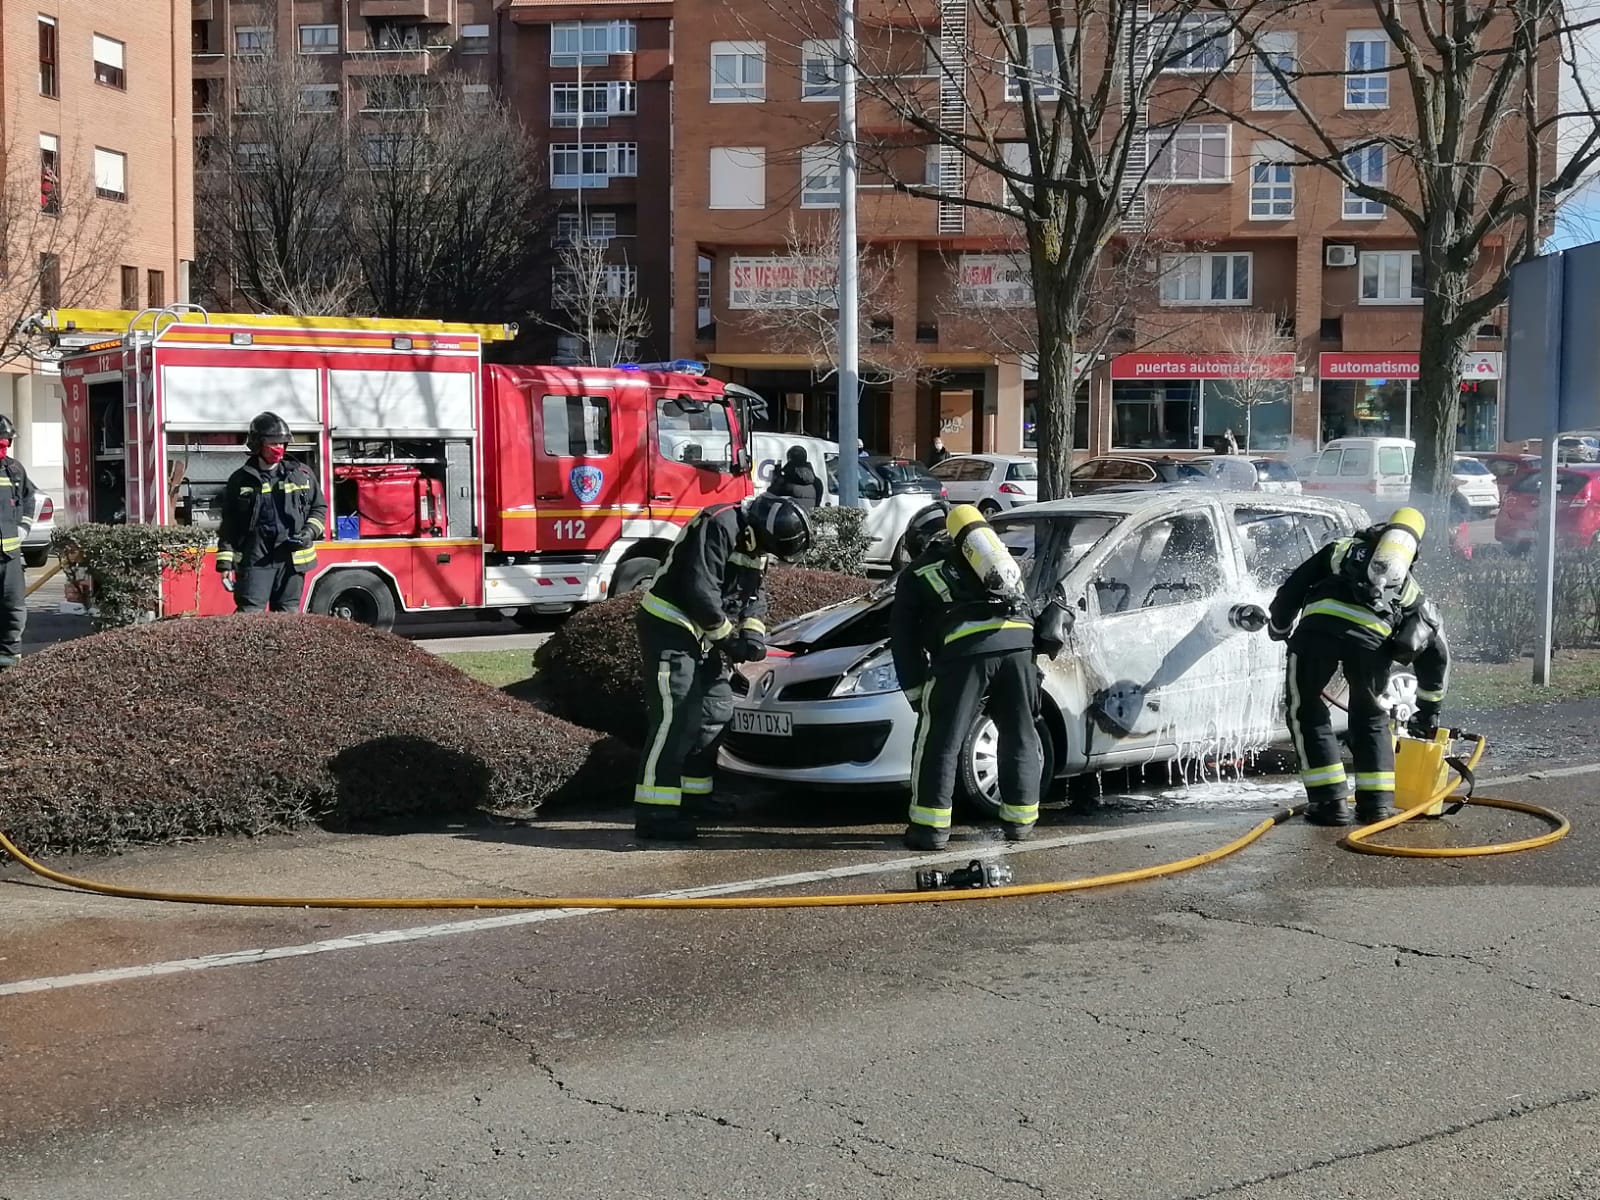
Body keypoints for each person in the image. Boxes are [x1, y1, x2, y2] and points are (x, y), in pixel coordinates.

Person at [633, 492, 812, 840]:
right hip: (670, 627)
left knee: (717, 709)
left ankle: (696, 796)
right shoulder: (718, 525)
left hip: (702, 634)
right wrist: (729, 640)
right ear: (760, 531)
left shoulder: (756, 544)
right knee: (676, 718)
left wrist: (754, 636)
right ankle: (655, 813)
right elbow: (700, 590)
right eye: (768, 550)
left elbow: (753, 597)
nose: (765, 557)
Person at [1267, 507, 1451, 827]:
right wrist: (1429, 708)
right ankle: (1376, 806)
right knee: (1371, 718)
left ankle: (1329, 803)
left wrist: (1280, 626)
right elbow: (1435, 650)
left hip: (1316, 637)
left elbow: (1295, 586)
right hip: (1372, 649)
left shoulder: (1341, 548)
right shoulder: (1407, 587)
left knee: (1306, 709)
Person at [890, 502, 1042, 850]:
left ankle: (930, 829)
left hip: (965, 650)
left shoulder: (917, 574)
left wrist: (917, 693)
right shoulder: (993, 563)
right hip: (1020, 644)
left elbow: (904, 639)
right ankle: (1020, 822)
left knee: (940, 738)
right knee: (1020, 733)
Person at [216, 412, 328, 614]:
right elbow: (229, 525)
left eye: (282, 443)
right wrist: (225, 563)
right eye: (272, 443)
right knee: (249, 617)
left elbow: (319, 508)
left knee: (288, 619)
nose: (279, 449)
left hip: (292, 561)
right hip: (255, 560)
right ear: (257, 445)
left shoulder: (302, 475)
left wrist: (309, 533)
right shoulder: (240, 481)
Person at [0, 416, 39, 668]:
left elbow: (29, 498)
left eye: (7, 442)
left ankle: (9, 664)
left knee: (13, 610)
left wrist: (24, 526)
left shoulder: (14, 470)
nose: (6, 446)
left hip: (10, 558)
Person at [767, 445, 824, 512]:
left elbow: (770, 496)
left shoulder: (786, 481)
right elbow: (817, 504)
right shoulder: (817, 482)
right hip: (808, 519)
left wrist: (776, 478)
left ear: (790, 459)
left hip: (790, 519)